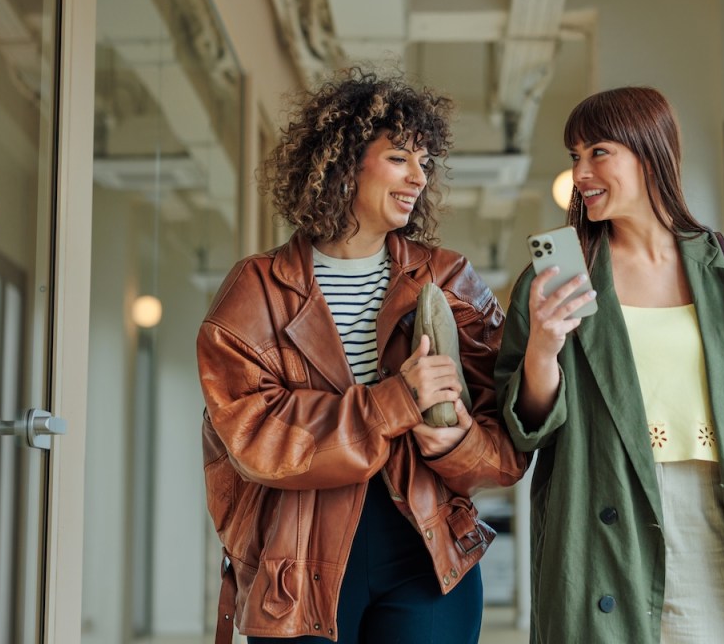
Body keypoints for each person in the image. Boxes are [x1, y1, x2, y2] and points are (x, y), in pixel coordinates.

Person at [198, 69, 528, 644]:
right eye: (399, 158)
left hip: (428, 558)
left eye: (424, 162)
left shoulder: (448, 279)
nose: (418, 177)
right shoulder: (257, 290)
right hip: (295, 564)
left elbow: (507, 439)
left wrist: (458, 442)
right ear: (344, 163)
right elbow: (256, 438)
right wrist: (395, 401)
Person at [495, 86, 724, 644]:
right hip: (598, 511)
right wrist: (542, 350)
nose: (581, 172)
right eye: (575, 155)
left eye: (598, 152)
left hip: (713, 517)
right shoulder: (558, 277)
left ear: (650, 153)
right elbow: (524, 430)